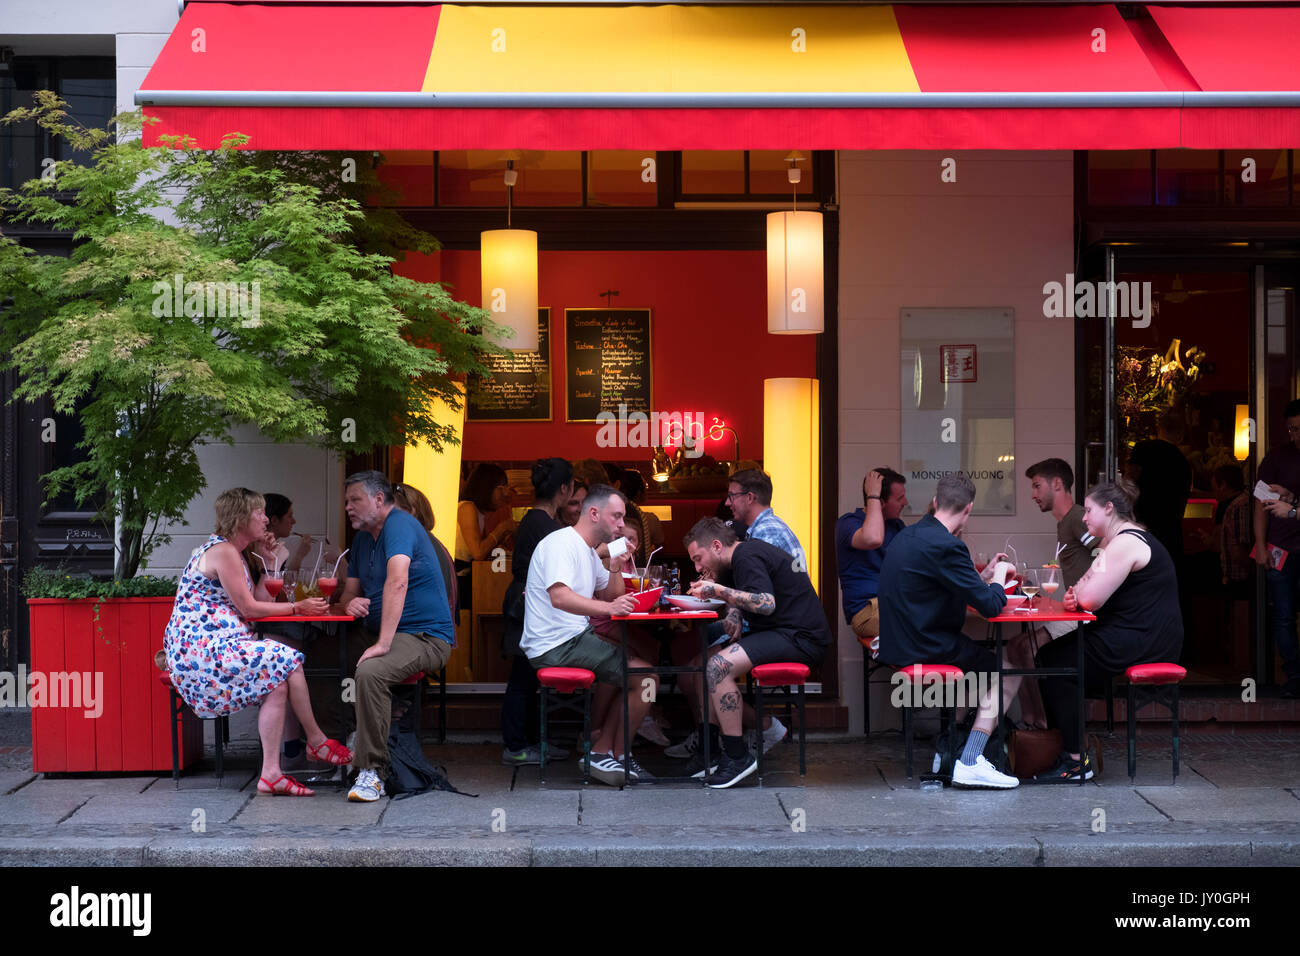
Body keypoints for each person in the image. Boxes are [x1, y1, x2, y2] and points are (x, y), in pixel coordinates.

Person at [162, 488, 350, 797]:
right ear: (240, 518)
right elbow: (250, 610)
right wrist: (297, 607)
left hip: (216, 645)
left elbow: (259, 602)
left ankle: (271, 775)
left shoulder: (232, 552)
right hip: (202, 651)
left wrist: (272, 563)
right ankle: (316, 741)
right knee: (288, 658)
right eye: (259, 513)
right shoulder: (223, 551)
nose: (266, 519)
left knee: (276, 681)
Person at [876, 474, 1020, 790]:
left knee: (974, 670)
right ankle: (970, 759)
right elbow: (992, 607)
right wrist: (997, 575)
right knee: (1007, 672)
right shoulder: (948, 546)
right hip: (926, 645)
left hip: (899, 642)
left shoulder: (909, 536)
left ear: (937, 501)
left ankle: (947, 750)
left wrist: (979, 575)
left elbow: (939, 583)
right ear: (968, 509)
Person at [1040, 479, 1185, 780]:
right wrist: (1079, 593)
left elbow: (1089, 598)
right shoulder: (1116, 541)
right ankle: (1067, 748)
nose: (1083, 517)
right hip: (1132, 631)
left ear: (1108, 509)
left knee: (1056, 663)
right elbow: (1083, 588)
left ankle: (1076, 761)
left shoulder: (1125, 542)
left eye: (1089, 510)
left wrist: (1080, 594)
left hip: (1145, 637)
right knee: (1050, 657)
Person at [330, 471, 456, 803]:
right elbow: (349, 596)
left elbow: (397, 581)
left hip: (425, 636)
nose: (348, 508)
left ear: (379, 500)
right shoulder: (361, 539)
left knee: (372, 672)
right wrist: (349, 603)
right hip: (379, 631)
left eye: (355, 499)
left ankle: (372, 772)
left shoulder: (399, 524)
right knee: (311, 656)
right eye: (346, 501)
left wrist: (383, 644)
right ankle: (338, 747)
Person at [520, 483, 654, 787]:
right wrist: (609, 607)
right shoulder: (561, 544)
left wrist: (616, 566)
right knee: (646, 678)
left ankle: (604, 749)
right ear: (594, 513)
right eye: (616, 517)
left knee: (640, 669)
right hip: (556, 645)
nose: (621, 524)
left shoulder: (588, 551)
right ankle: (610, 753)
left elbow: (611, 593)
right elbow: (560, 597)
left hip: (573, 638)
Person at [684, 518, 832, 788]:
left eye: (698, 558)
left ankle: (737, 756)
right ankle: (710, 752)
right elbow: (745, 596)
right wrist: (734, 613)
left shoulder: (747, 555)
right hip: (780, 632)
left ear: (716, 546)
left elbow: (766, 603)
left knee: (718, 667)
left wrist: (716, 590)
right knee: (703, 662)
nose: (697, 567)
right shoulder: (734, 561)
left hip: (800, 637)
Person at [500, 457, 574, 767]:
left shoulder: (536, 520)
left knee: (528, 677)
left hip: (528, 602)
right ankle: (516, 747)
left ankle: (532, 742)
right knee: (522, 678)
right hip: (528, 605)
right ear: (563, 489)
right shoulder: (543, 524)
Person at [1255, 399, 1300, 698]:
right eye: (1292, 429)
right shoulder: (1277, 457)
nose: (1296, 436)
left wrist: (1293, 501)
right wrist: (1260, 545)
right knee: (1283, 615)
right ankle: (1295, 676)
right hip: (1281, 546)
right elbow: (1261, 503)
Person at [835, 467, 907, 644]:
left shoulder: (896, 526)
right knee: (923, 622)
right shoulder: (848, 523)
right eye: (899, 499)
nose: (905, 502)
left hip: (894, 604)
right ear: (881, 502)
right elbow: (873, 538)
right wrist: (872, 496)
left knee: (940, 613)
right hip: (867, 610)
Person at [455, 463, 517, 613]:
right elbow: (477, 552)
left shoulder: (479, 511)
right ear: (488, 487)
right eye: (501, 488)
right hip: (461, 580)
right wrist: (501, 529)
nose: (504, 493)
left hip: (469, 578)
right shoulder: (467, 507)